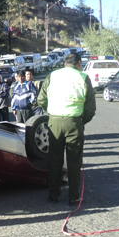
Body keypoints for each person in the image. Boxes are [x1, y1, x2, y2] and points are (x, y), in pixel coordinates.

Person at [37, 53, 96, 206]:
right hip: (74, 123)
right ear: (78, 63)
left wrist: (51, 112)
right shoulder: (83, 78)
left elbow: (41, 100)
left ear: (64, 63)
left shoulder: (52, 76)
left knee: (55, 160)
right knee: (74, 161)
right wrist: (81, 120)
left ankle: (53, 195)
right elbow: (90, 108)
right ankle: (74, 197)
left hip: (54, 122)